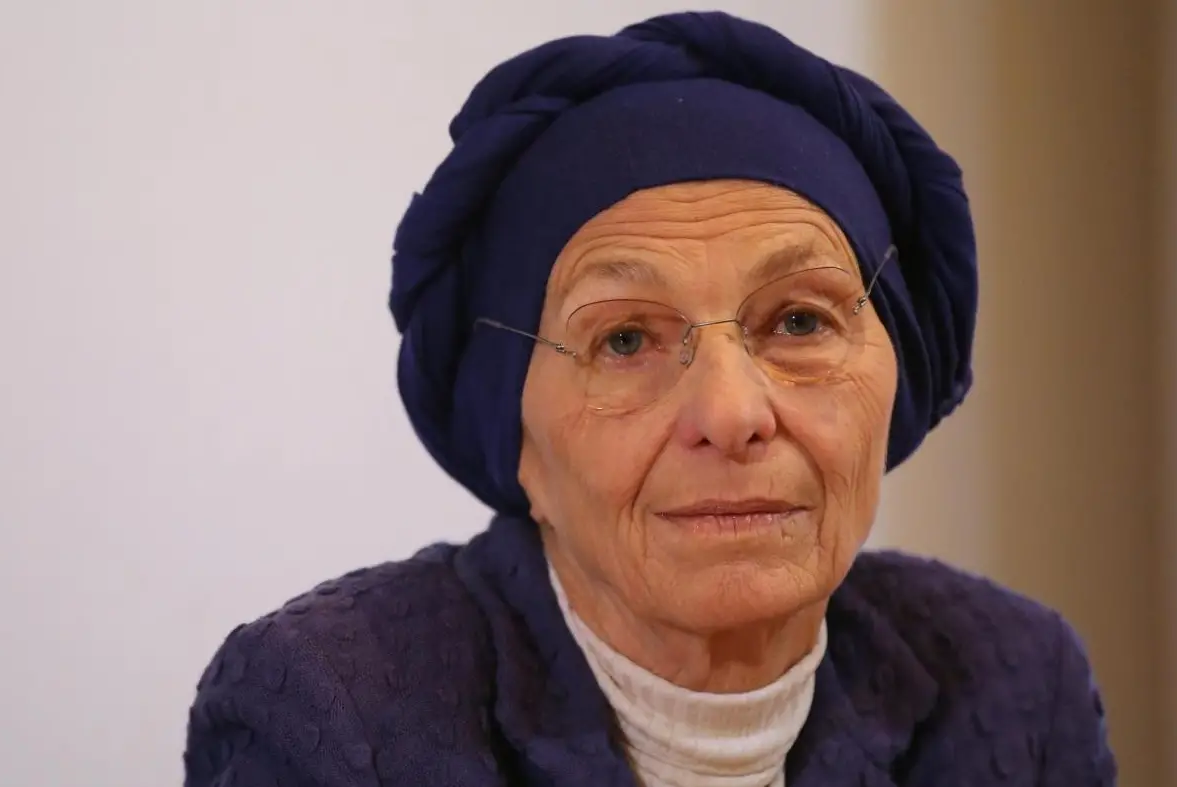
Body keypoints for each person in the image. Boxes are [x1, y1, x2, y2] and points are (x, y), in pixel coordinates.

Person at [184, 10, 1115, 787]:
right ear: (517, 436)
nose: (732, 413)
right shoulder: (333, 716)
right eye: (625, 339)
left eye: (799, 320)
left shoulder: (1016, 683)